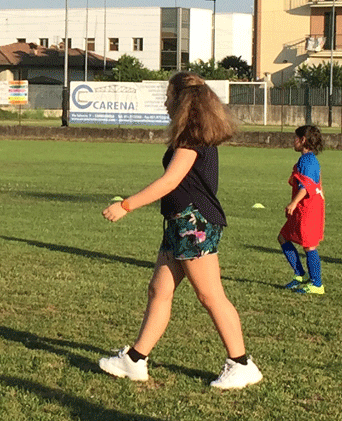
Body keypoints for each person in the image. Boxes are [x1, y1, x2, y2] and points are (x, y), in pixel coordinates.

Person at [99, 72, 263, 390]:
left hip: (194, 223)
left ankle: (242, 364)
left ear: (181, 99)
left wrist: (126, 206)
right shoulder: (189, 136)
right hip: (180, 222)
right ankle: (135, 359)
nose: (165, 101)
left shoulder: (192, 138)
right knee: (159, 290)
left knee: (210, 294)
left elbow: (169, 182)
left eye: (168, 95)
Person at [278, 125, 325, 294]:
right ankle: (300, 274)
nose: (293, 141)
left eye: (295, 138)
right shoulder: (307, 160)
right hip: (303, 207)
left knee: (309, 246)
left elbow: (306, 186)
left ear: (303, 140)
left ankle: (317, 284)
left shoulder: (308, 160)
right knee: (283, 237)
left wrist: (293, 203)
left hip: (308, 209)